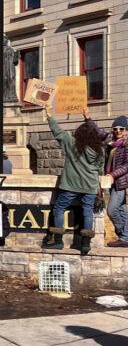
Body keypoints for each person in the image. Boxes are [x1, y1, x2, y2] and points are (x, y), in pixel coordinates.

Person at [43, 106, 105, 254]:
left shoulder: (72, 144)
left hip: (70, 186)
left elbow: (57, 131)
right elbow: (99, 168)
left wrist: (49, 115)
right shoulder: (99, 150)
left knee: (59, 208)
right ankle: (85, 244)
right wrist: (87, 118)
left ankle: (58, 241)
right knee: (87, 211)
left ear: (79, 134)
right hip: (90, 186)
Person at [107, 116, 128, 247]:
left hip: (121, 182)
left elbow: (127, 165)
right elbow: (100, 133)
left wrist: (113, 175)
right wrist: (88, 119)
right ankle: (125, 238)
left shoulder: (126, 145)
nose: (118, 131)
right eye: (115, 129)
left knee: (112, 210)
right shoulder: (113, 145)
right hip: (114, 182)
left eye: (121, 128)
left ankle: (124, 235)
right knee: (122, 210)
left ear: (126, 130)